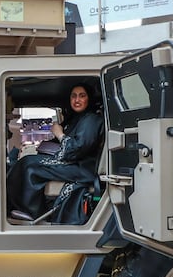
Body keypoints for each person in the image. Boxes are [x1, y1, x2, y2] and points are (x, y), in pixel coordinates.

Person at [6, 83, 103, 224]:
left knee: (30, 167)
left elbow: (76, 150)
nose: (77, 100)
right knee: (26, 161)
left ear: (89, 99)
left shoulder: (91, 120)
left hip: (82, 167)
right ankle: (18, 206)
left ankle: (32, 212)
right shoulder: (77, 118)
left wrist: (59, 134)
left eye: (82, 96)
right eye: (73, 96)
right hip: (73, 162)